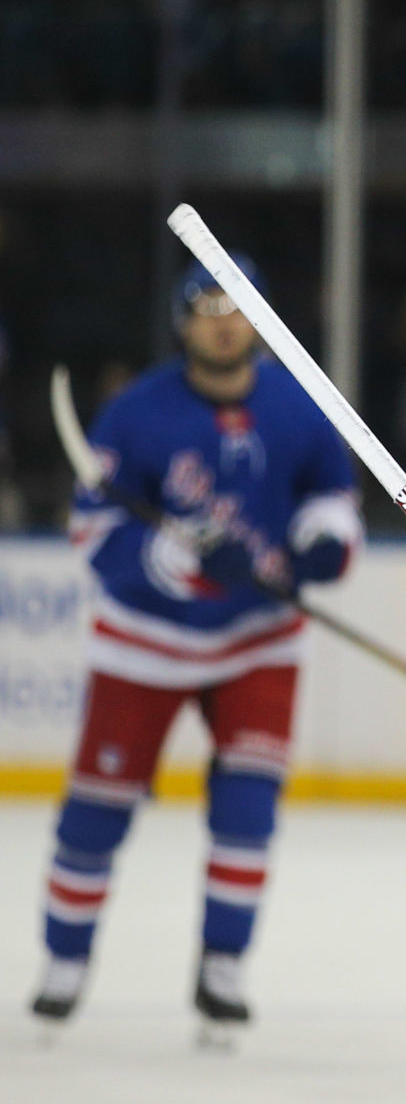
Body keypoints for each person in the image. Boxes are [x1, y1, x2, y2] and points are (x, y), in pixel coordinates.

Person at [32, 260, 361, 1035]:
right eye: (206, 308)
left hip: (258, 640)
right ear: (183, 323)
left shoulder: (297, 405)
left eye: (238, 306)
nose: (223, 322)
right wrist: (175, 562)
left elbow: (331, 499)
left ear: (261, 318)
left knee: (248, 807)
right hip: (143, 643)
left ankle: (223, 968)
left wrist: (319, 546)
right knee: (96, 810)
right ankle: (64, 960)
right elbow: (93, 529)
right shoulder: (136, 412)